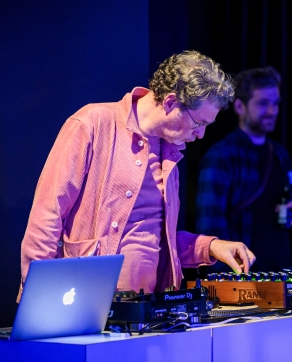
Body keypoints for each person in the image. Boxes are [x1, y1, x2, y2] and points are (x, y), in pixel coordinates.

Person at [19, 50, 256, 301]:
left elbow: (153, 239)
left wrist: (210, 247)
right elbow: (47, 215)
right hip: (85, 299)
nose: (201, 135)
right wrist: (38, 298)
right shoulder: (93, 123)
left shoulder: (170, 150)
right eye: (199, 123)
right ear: (170, 103)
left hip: (146, 306)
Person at [196, 66, 292, 272]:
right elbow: (210, 229)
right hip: (242, 277)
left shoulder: (280, 153)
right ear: (239, 107)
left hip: (280, 273)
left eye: (275, 103)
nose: (272, 111)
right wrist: (226, 280)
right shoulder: (221, 155)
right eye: (263, 103)